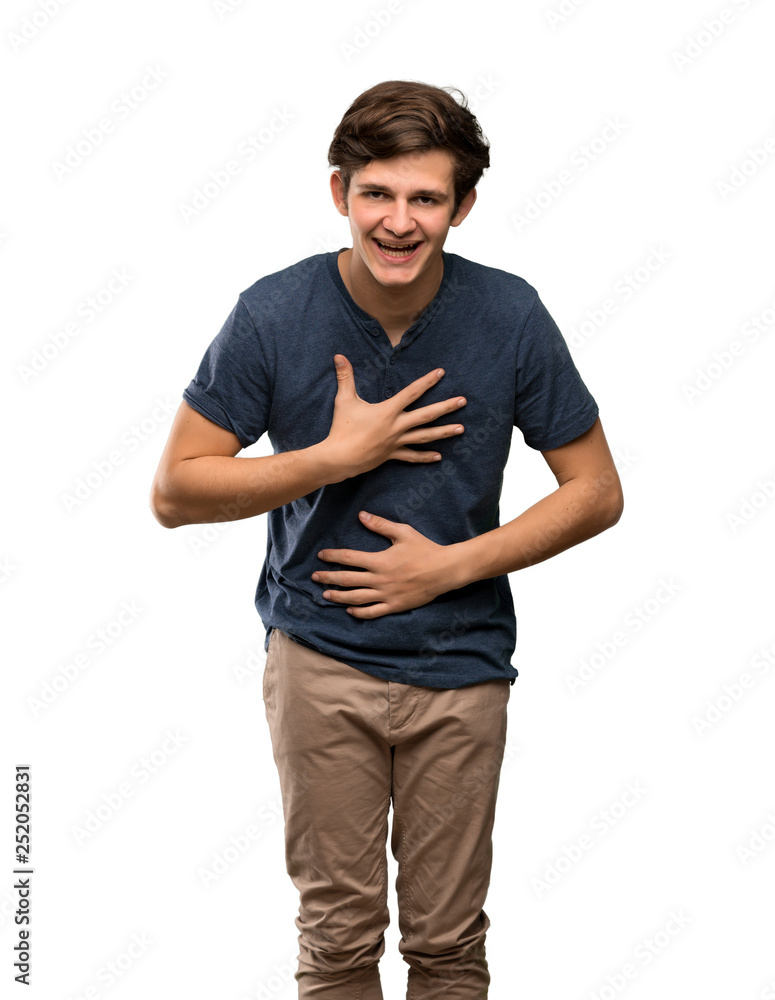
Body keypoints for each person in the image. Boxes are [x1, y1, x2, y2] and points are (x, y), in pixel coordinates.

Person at [150, 79, 623, 999]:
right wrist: (337, 456)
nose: (398, 222)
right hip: (318, 660)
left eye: (425, 198)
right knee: (336, 943)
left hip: (463, 667)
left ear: (462, 206)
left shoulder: (510, 314)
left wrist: (448, 568)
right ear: (340, 192)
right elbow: (176, 491)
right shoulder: (273, 312)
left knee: (448, 946)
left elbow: (596, 490)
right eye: (376, 193)